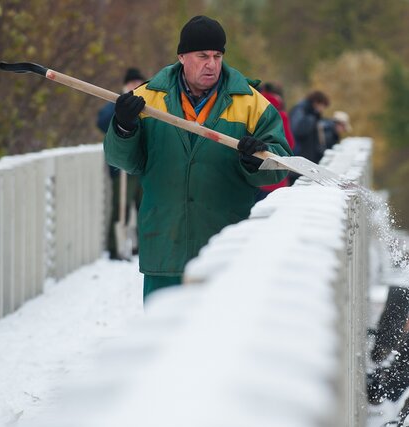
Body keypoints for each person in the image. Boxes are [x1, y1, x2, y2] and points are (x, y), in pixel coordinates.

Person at [103, 15, 291, 301]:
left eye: (217, 56)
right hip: (165, 249)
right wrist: (123, 127)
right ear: (181, 57)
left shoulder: (251, 103)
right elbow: (123, 160)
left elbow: (280, 165)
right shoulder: (148, 100)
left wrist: (258, 160)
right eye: (202, 56)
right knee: (161, 340)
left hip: (225, 250)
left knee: (220, 339)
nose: (211, 64)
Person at [97, 68, 146, 260]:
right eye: (131, 83)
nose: (134, 86)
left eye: (138, 82)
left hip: (142, 166)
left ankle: (143, 244)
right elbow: (102, 123)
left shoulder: (148, 102)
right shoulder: (115, 102)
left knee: (145, 206)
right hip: (121, 169)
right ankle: (114, 245)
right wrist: (121, 109)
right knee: (121, 206)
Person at [255, 82, 295, 199]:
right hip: (276, 174)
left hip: (254, 175)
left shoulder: (255, 108)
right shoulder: (281, 113)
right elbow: (290, 143)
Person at [289, 90, 330, 164]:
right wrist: (312, 118)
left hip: (306, 154)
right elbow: (297, 130)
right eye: (322, 106)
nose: (322, 110)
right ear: (316, 102)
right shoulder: (301, 109)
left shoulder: (311, 113)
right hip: (298, 153)